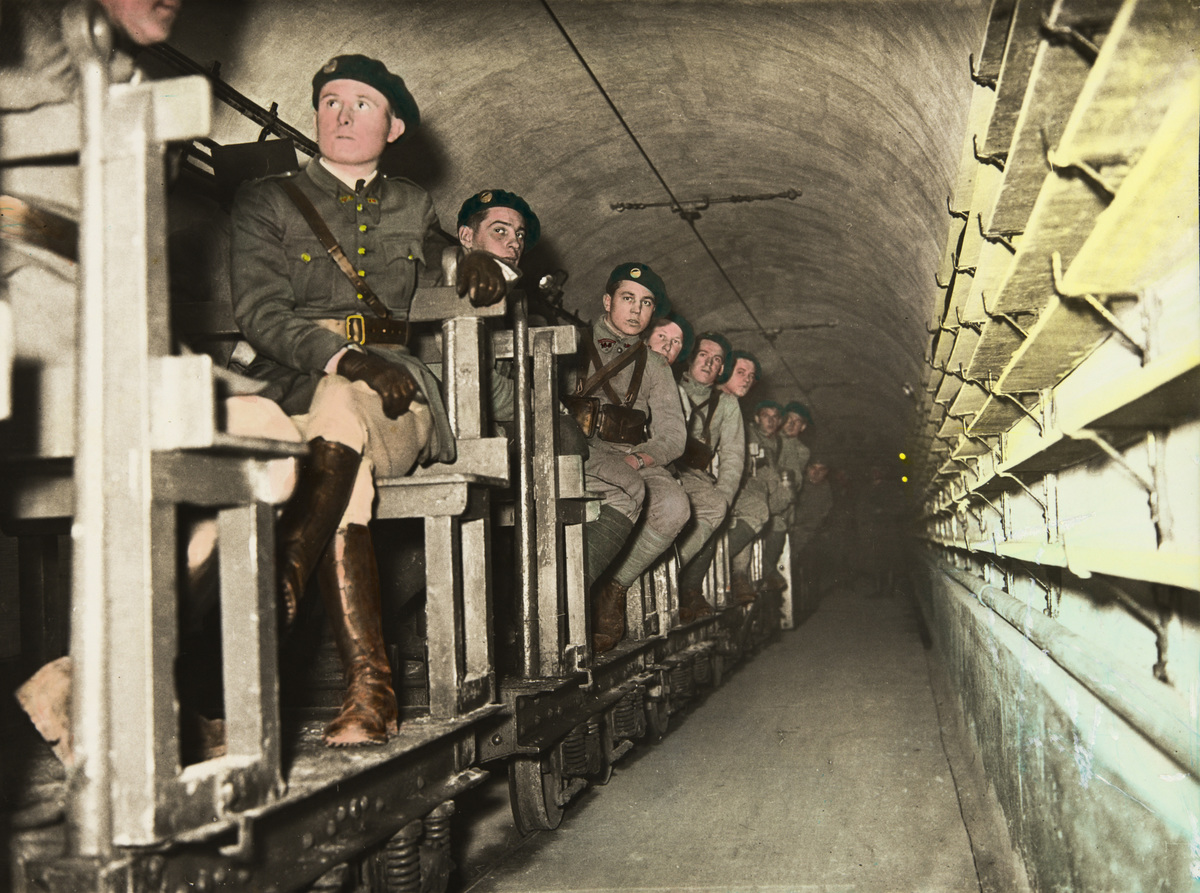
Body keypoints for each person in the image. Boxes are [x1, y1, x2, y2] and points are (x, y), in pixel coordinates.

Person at [230, 54, 510, 747]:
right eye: (330, 101)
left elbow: (439, 246)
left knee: (342, 409)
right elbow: (260, 314)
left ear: (395, 126)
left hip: (396, 399)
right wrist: (343, 357)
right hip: (297, 387)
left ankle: (283, 590)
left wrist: (463, 259)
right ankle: (370, 684)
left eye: (362, 104)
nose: (344, 114)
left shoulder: (412, 202)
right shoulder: (266, 202)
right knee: (327, 423)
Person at [567, 263, 687, 654]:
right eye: (627, 298)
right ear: (607, 301)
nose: (636, 310)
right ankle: (568, 598)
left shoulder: (654, 364)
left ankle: (614, 586)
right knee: (625, 488)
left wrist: (643, 458)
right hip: (579, 449)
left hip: (627, 455)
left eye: (646, 303)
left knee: (675, 507)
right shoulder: (570, 342)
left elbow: (673, 434)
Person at [449, 188, 540, 423]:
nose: (515, 243)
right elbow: (478, 388)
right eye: (500, 231)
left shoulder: (495, 297)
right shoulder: (455, 287)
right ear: (467, 237)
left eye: (520, 235)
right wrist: (545, 401)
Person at [671, 332, 744, 621]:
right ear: (690, 358)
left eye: (717, 360)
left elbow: (734, 455)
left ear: (722, 369)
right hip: (663, 467)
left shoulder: (726, 404)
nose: (709, 362)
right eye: (704, 354)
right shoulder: (667, 386)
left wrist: (724, 495)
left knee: (711, 510)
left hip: (695, 475)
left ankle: (687, 587)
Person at [716, 350, 769, 602]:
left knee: (755, 507)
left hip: (726, 480)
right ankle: (719, 567)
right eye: (740, 373)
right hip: (710, 480)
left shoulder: (731, 404)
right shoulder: (712, 398)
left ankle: (735, 574)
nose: (747, 379)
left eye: (751, 376)